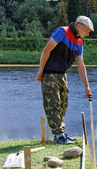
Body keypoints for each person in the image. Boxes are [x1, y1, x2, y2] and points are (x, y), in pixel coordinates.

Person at [35, 16, 93, 144]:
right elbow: (46, 50)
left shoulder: (79, 42)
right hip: (49, 73)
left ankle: (61, 133)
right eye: (87, 31)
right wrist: (40, 72)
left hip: (62, 74)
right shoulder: (62, 32)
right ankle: (59, 135)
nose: (88, 34)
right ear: (80, 26)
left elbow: (81, 66)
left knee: (63, 103)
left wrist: (86, 86)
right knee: (53, 104)